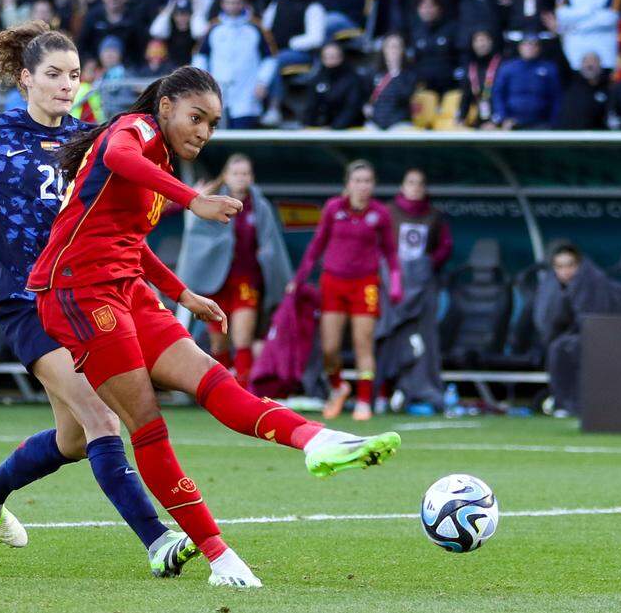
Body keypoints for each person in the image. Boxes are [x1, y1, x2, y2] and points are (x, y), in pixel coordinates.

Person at [31, 66, 401, 588]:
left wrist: (183, 294)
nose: (203, 132)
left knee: (215, 379)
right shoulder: (133, 132)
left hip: (125, 289)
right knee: (148, 423)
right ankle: (219, 557)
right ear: (166, 107)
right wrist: (192, 200)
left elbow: (129, 241)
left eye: (213, 124)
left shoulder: (159, 162)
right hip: (75, 292)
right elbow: (117, 157)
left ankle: (316, 440)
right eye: (196, 117)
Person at [0, 21, 205, 578]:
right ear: (25, 78)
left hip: (82, 294)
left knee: (71, 437)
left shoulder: (91, 137)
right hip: (27, 298)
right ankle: (158, 540)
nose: (68, 85)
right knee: (103, 421)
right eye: (55, 75)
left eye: (75, 75)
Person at [290, 160, 402, 421]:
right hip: (333, 282)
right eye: (358, 181)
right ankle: (339, 387)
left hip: (365, 284)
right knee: (329, 347)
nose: (363, 187)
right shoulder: (333, 208)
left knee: (364, 343)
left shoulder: (380, 213)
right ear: (348, 184)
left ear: (373, 185)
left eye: (367, 181)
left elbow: (390, 253)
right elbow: (316, 246)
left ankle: (364, 401)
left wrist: (396, 283)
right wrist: (299, 279)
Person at [176, 154, 292, 389]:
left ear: (251, 177)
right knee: (219, 343)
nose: (241, 178)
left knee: (243, 338)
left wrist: (271, 264)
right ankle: (224, 391)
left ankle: (245, 392)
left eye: (246, 174)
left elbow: (272, 244)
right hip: (216, 282)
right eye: (236, 173)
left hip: (246, 280)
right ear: (226, 176)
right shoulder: (210, 201)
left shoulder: (260, 206)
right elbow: (196, 239)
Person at [375, 168, 452, 413]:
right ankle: (382, 393)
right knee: (387, 336)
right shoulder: (387, 212)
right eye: (411, 182)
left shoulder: (435, 216)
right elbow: (377, 244)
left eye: (420, 183)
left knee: (423, 343)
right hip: (392, 289)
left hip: (422, 291)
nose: (415, 187)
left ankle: (418, 390)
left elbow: (445, 247)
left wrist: (425, 265)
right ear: (402, 185)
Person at [534, 243, 621, 417]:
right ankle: (567, 404)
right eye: (560, 266)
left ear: (579, 264)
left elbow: (597, 322)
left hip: (616, 335)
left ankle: (573, 405)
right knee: (561, 347)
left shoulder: (593, 283)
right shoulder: (554, 287)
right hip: (589, 337)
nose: (565, 271)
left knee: (564, 348)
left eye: (570, 265)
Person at [193, 0, 271, 129]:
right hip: (218, 90)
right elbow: (200, 56)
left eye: (236, 2)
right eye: (228, 2)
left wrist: (263, 82)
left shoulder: (256, 27)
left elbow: (270, 58)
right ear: (222, 4)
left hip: (247, 90)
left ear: (244, 3)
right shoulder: (213, 27)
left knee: (243, 135)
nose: (232, 6)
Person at [258, 0, 326, 126]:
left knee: (274, 61)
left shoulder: (314, 6)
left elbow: (316, 38)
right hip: (275, 51)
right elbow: (265, 28)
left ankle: (274, 107)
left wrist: (291, 42)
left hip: (301, 54)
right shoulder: (278, 3)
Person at [490, 33, 561, 130]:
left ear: (539, 48)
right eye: (526, 44)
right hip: (512, 122)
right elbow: (498, 94)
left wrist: (553, 121)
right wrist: (503, 117)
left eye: (534, 45)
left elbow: (556, 97)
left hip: (541, 123)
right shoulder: (508, 68)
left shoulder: (549, 68)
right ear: (520, 47)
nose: (530, 48)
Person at [302, 42, 365, 129]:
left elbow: (351, 108)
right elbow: (311, 106)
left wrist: (334, 128)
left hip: (347, 130)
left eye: (334, 56)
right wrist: (308, 125)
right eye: (326, 57)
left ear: (341, 57)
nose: (330, 60)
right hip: (322, 129)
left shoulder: (353, 80)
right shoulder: (317, 79)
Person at [365, 32, 418, 130]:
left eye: (396, 47)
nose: (392, 51)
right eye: (389, 47)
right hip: (375, 123)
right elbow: (365, 94)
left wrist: (395, 72)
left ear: (402, 50)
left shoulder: (410, 74)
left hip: (400, 122)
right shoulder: (373, 73)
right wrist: (365, 106)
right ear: (383, 50)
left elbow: (406, 95)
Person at [409, 0, 459, 94]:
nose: (427, 10)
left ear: (439, 8)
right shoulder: (415, 32)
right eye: (423, 7)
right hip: (423, 87)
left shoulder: (452, 29)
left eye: (431, 6)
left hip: (449, 86)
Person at [457, 30, 503, 127]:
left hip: (500, 118)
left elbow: (505, 95)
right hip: (481, 117)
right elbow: (466, 96)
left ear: (491, 42)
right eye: (477, 41)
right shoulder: (471, 67)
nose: (481, 44)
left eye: (484, 40)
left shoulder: (502, 64)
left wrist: (496, 121)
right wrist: (461, 117)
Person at [559, 52, 610, 130]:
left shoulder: (609, 86)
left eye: (594, 61)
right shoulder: (571, 81)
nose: (590, 65)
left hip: (598, 136)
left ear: (600, 65)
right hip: (570, 133)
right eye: (586, 61)